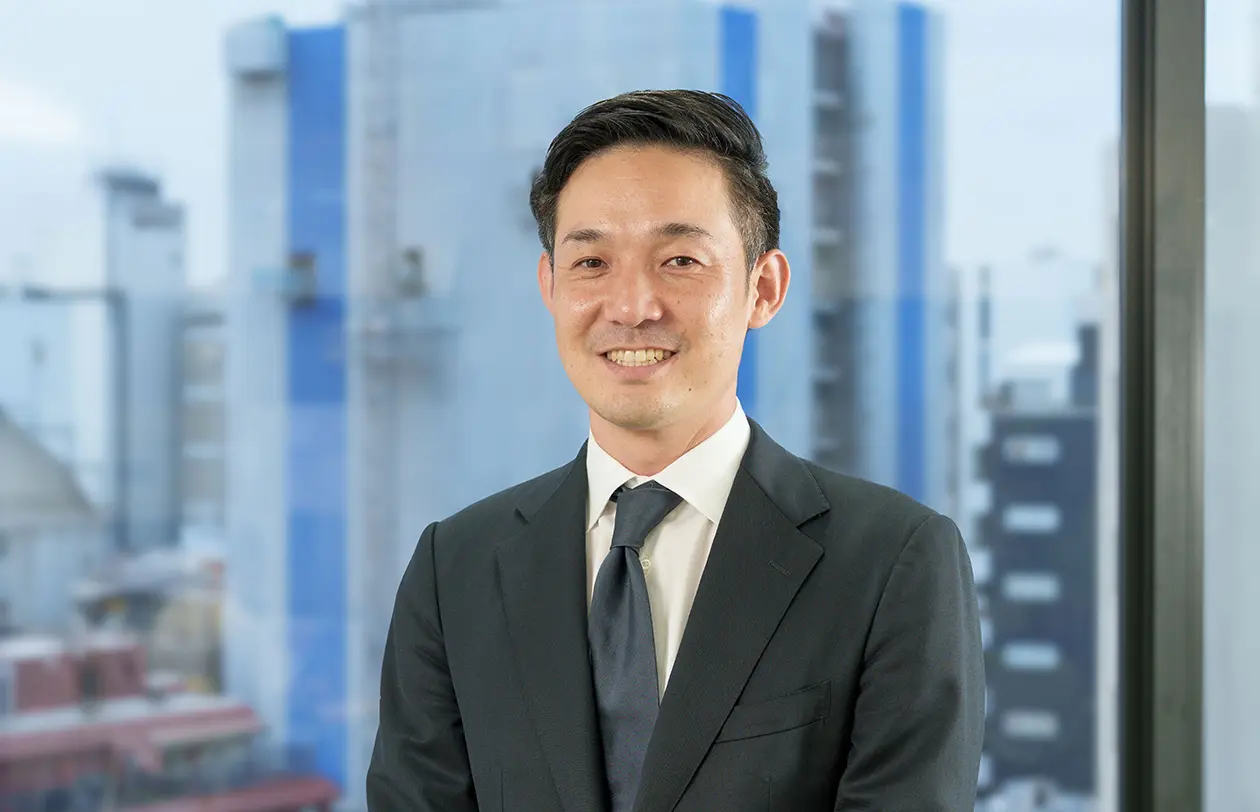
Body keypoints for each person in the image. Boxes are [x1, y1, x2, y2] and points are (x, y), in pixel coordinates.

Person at [366, 89, 984, 812]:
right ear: (550, 287)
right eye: (591, 262)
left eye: (681, 259)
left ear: (764, 288)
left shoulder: (893, 562)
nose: (632, 307)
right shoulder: (455, 569)